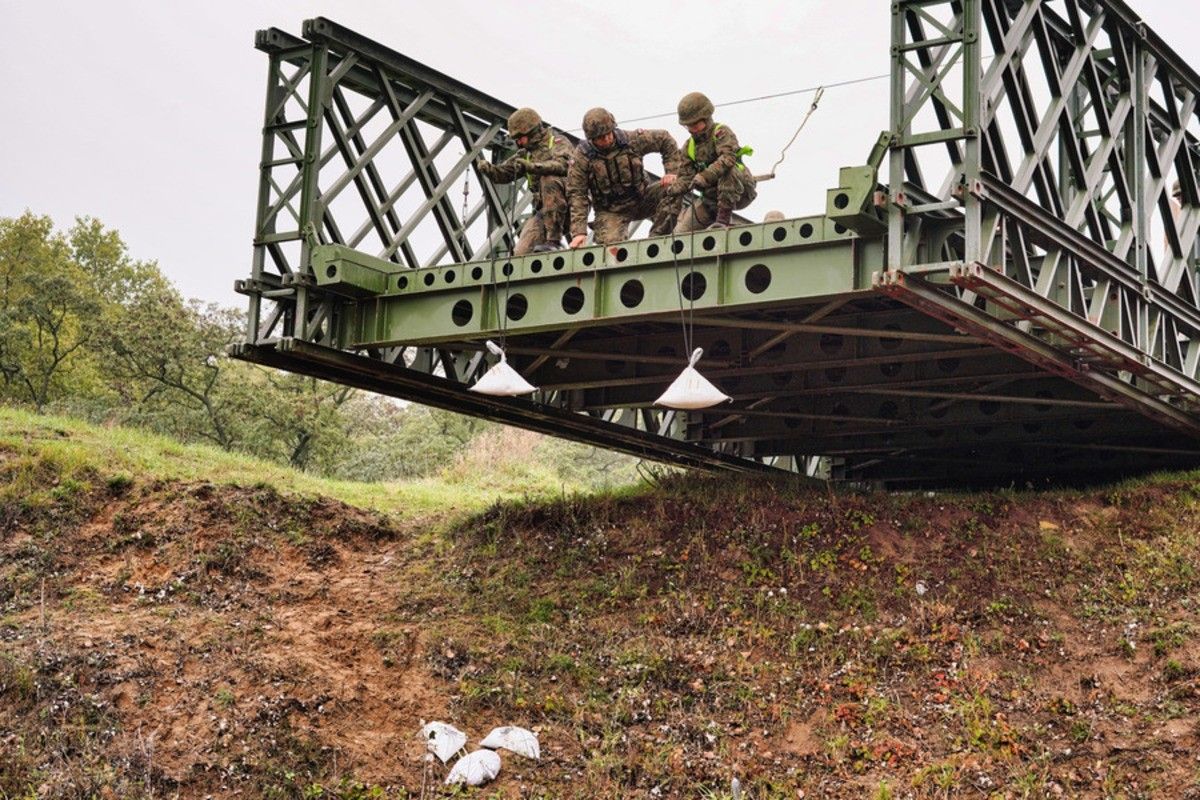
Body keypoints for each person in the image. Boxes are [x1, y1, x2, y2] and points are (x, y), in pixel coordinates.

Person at [567, 107, 682, 248]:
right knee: (611, 250)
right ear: (592, 140)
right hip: (611, 212)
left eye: (609, 133)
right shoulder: (582, 158)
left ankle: (656, 241)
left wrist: (671, 172)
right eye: (601, 138)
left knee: (675, 188)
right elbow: (577, 194)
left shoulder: (632, 140)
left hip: (642, 198)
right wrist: (579, 232)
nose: (607, 139)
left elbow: (665, 139)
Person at [475, 107, 573, 254]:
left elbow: (563, 165)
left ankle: (554, 241)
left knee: (549, 178)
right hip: (544, 212)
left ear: (532, 132)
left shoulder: (558, 142)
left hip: (571, 207)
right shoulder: (525, 154)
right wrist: (489, 169)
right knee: (521, 253)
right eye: (516, 139)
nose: (519, 142)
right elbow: (505, 173)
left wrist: (535, 167)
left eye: (520, 137)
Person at [671, 92, 757, 231]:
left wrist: (705, 176)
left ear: (705, 118)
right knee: (680, 233)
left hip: (740, 191)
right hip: (710, 200)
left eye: (694, 124)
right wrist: (674, 189)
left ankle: (722, 220)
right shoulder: (689, 146)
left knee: (728, 170)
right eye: (688, 126)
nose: (691, 129)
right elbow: (686, 177)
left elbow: (728, 158)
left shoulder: (721, 132)